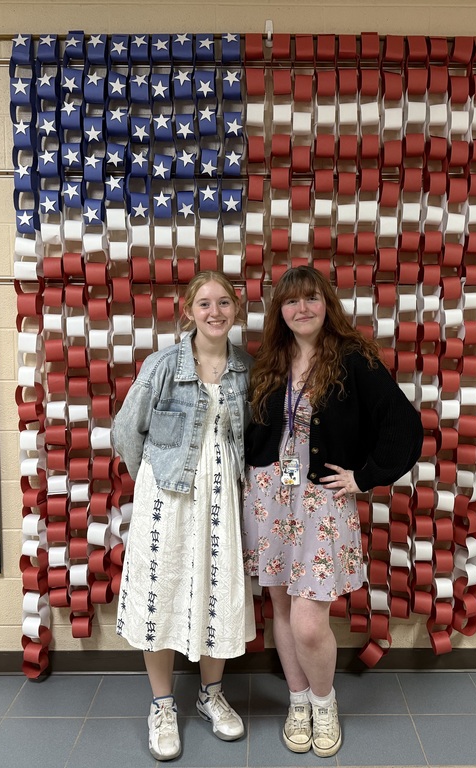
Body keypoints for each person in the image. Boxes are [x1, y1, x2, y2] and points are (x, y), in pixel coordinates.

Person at [243, 265, 424, 758]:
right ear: (280, 311)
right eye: (292, 301)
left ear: (327, 305)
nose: (302, 309)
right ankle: (297, 702)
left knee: (307, 619)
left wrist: (364, 477)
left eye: (312, 299)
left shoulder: (352, 359)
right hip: (269, 496)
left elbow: (404, 425)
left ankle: (325, 703)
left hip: (321, 500)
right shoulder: (270, 361)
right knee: (280, 605)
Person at [113, 271, 255, 762]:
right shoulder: (164, 364)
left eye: (223, 303)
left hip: (223, 497)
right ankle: (162, 705)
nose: (214, 312)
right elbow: (127, 431)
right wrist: (155, 476)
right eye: (204, 304)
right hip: (168, 496)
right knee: (162, 592)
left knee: (217, 589)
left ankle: (211, 695)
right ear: (189, 311)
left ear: (235, 309)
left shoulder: (245, 368)